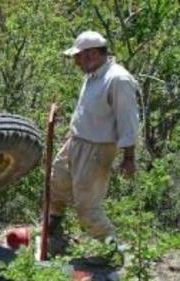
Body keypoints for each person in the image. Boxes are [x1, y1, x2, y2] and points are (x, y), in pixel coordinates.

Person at [49, 31, 138, 258]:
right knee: (56, 182)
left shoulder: (118, 79)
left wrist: (129, 158)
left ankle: (111, 249)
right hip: (76, 142)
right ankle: (53, 229)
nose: (76, 62)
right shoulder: (93, 74)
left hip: (98, 149)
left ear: (93, 54)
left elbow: (128, 121)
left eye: (78, 57)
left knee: (87, 206)